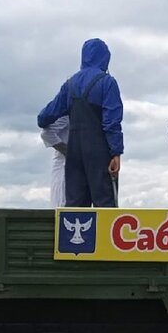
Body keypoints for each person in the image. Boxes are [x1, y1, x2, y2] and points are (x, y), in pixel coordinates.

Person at [37, 38, 123, 207]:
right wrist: (116, 152)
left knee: (75, 207)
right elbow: (111, 122)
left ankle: (73, 234)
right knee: (105, 206)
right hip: (100, 152)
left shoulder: (69, 85)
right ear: (105, 58)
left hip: (74, 154)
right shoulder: (107, 82)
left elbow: (43, 118)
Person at [40, 114, 69, 207]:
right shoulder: (66, 114)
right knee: (62, 203)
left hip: (74, 166)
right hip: (63, 164)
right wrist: (69, 152)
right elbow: (47, 134)